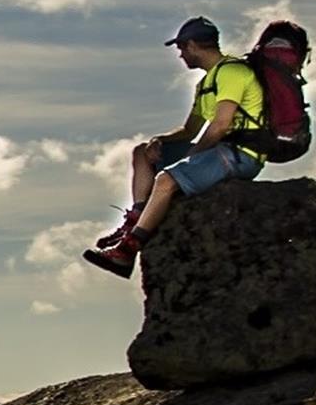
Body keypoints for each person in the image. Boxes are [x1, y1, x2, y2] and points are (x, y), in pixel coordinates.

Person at [82, 16, 266, 278]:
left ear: (192, 45)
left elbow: (221, 125)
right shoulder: (207, 84)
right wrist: (161, 141)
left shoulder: (232, 72)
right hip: (220, 151)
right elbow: (191, 129)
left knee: (166, 180)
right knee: (141, 153)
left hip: (241, 155)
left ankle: (127, 252)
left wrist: (192, 157)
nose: (180, 54)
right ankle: (136, 219)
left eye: (181, 48)